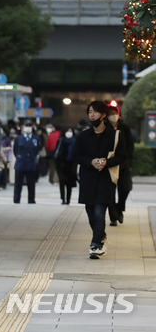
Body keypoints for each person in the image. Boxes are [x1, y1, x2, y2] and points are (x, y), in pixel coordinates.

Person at [71, 101, 127, 259]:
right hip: (88, 179)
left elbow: (123, 156)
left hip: (105, 179)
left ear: (103, 115)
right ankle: (101, 237)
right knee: (90, 213)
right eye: (89, 112)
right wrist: (91, 161)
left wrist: (106, 162)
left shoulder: (115, 135)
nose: (92, 115)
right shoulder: (83, 136)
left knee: (99, 212)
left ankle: (95, 245)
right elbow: (75, 156)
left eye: (95, 112)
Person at [106, 106, 134, 226]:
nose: (113, 115)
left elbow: (130, 145)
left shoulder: (124, 128)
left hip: (123, 164)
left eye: (115, 113)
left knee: (125, 188)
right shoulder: (105, 128)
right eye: (110, 113)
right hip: (109, 165)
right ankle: (113, 217)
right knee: (109, 192)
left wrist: (130, 162)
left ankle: (119, 208)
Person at [13, 120, 41, 204]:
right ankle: (16, 199)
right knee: (18, 183)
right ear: (23, 127)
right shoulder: (18, 138)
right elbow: (15, 150)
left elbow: (37, 150)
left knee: (31, 183)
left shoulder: (36, 138)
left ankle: (31, 199)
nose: (28, 127)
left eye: (30, 126)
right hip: (20, 163)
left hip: (31, 164)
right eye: (26, 125)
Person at [54, 127, 77, 205]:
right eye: (68, 131)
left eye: (71, 131)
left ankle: (68, 199)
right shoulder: (61, 141)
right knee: (62, 180)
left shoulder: (74, 141)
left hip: (70, 165)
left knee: (69, 183)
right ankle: (63, 198)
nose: (69, 132)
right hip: (61, 164)